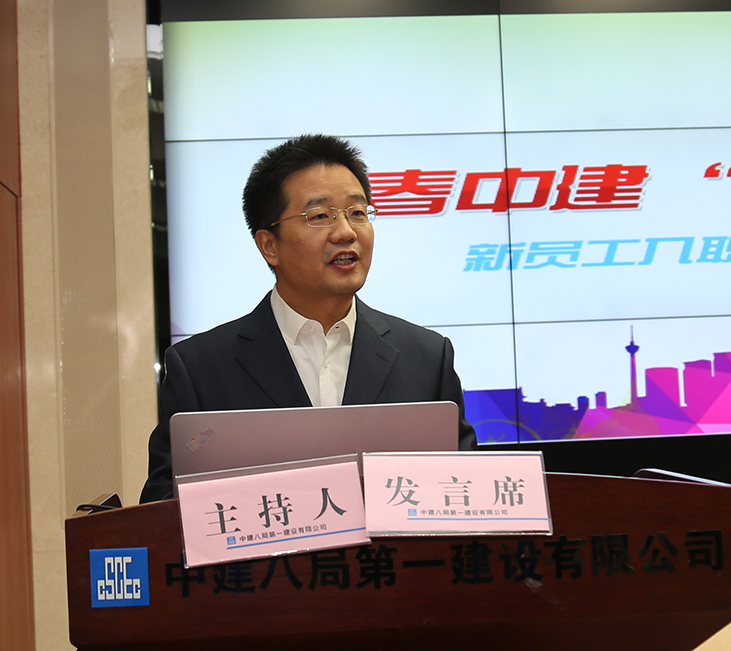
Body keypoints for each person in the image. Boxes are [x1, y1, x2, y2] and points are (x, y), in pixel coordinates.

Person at [139, 134, 477, 503]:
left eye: (358, 213)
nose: (346, 232)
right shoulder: (201, 368)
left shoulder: (426, 359)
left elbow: (466, 493)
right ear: (270, 245)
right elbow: (163, 508)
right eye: (319, 216)